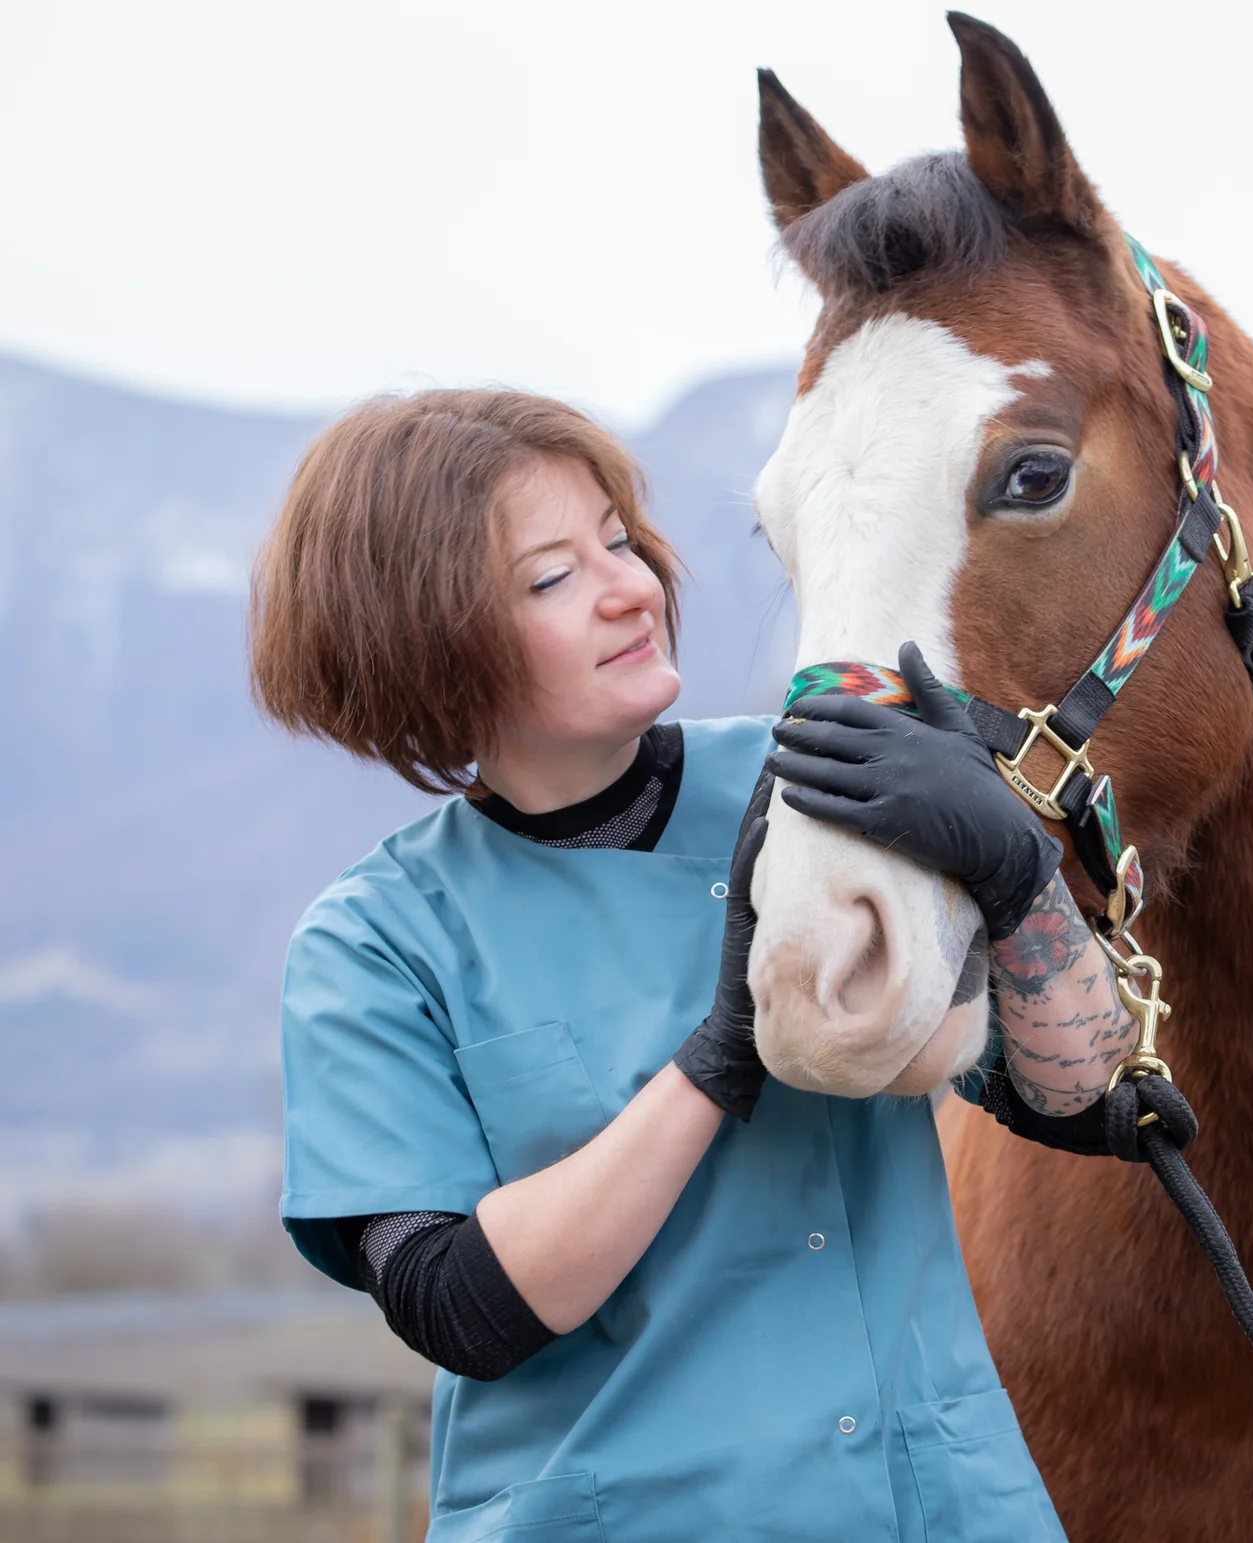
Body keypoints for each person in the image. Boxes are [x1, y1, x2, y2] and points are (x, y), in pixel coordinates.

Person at [250, 388, 1141, 1542]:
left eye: (618, 540)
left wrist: (1017, 881)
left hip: (940, 1511)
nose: (629, 588)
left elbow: (1077, 1099)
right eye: (551, 578)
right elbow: (462, 1306)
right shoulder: (375, 944)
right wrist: (718, 1056)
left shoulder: (823, 795)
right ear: (427, 644)